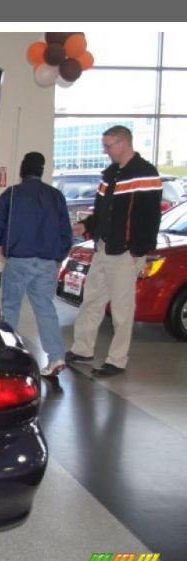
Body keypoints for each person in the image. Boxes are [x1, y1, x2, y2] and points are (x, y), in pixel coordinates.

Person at [66, 126, 162, 378]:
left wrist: (138, 250)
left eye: (108, 146)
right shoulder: (109, 175)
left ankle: (117, 361)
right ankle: (83, 349)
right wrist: (86, 225)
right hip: (103, 248)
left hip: (125, 253)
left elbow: (151, 217)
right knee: (91, 302)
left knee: (121, 310)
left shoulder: (145, 174)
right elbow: (102, 211)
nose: (105, 150)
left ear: (123, 143)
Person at [0, 151, 72, 377]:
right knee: (45, 309)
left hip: (18, 260)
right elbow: (66, 232)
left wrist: (3, 244)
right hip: (47, 263)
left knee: (11, 309)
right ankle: (56, 357)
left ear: (23, 170)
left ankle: (9, 357)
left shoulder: (12, 194)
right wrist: (58, 256)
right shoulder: (56, 196)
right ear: (41, 171)